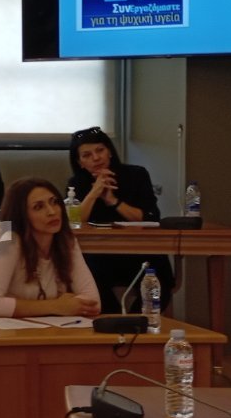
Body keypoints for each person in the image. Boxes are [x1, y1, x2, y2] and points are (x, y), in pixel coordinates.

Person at [65, 125, 171, 303]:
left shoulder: (136, 174)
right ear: (80, 162)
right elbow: (74, 222)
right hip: (98, 254)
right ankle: (113, 316)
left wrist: (113, 201)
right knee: (88, 274)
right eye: (87, 155)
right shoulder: (76, 183)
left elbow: (150, 217)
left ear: (110, 152)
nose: (96, 158)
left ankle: (141, 317)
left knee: (160, 274)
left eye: (100, 150)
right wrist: (94, 193)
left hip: (138, 251)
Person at [0, 178, 101, 319]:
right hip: (12, 329)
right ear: (22, 215)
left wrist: (65, 306)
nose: (51, 212)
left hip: (54, 328)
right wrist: (56, 306)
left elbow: (94, 302)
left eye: (54, 202)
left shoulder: (67, 242)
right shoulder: (11, 242)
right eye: (38, 207)